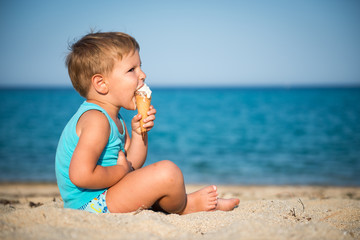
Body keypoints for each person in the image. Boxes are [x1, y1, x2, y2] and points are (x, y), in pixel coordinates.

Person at [55, 31, 239, 214]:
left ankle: (181, 202)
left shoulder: (114, 119)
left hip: (106, 195)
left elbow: (132, 163)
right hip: (90, 204)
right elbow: (81, 175)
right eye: (131, 70)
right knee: (168, 172)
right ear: (101, 84)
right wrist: (120, 171)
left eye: (140, 67)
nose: (143, 75)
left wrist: (138, 134)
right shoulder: (96, 120)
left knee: (162, 180)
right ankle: (186, 206)